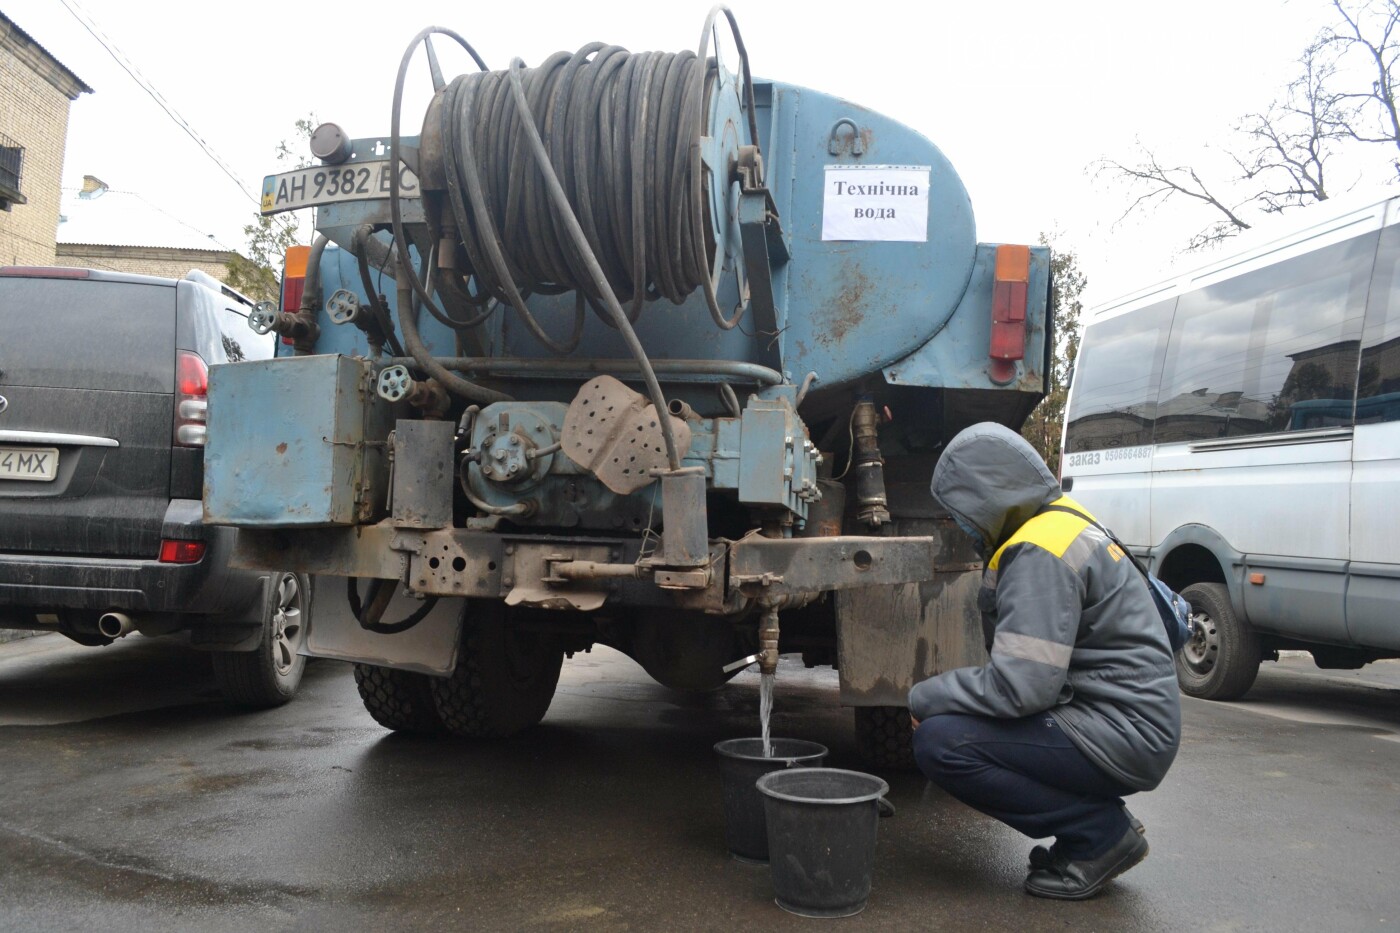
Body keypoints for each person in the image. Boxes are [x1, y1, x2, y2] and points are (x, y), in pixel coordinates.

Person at [907, 422, 1180, 900]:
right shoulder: (1059, 521)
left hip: (1123, 729)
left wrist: (924, 696)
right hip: (1124, 721)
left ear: (985, 496)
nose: (961, 524)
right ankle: (1093, 830)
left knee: (943, 742)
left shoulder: (1039, 550)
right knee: (959, 726)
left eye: (961, 511)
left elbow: (1022, 687)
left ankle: (1100, 835)